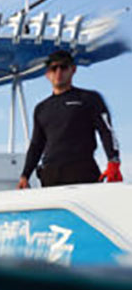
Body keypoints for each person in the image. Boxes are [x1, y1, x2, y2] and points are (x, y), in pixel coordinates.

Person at [18, 49, 122, 189]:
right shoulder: (41, 108)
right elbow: (36, 145)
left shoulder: (89, 99)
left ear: (73, 70)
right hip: (50, 174)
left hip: (82, 171)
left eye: (63, 67)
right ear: (47, 74)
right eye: (54, 68)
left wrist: (113, 161)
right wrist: (25, 175)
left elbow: (106, 131)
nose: (58, 72)